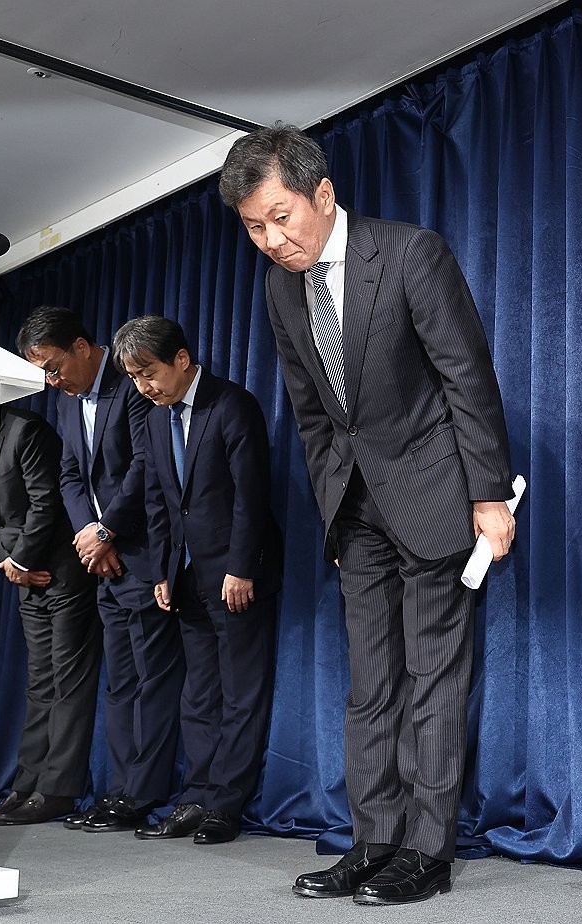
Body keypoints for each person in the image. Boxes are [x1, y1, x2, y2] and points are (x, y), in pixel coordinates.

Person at [218, 124, 515, 906]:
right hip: (355, 512)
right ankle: (373, 840)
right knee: (369, 686)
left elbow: (467, 381)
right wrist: (332, 511)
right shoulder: (283, 288)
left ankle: (427, 850)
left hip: (435, 496)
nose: (272, 239)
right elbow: (312, 414)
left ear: (322, 194)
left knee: (433, 679)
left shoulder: (412, 253)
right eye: (254, 226)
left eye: (281, 215)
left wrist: (488, 496)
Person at [110, 315, 281, 845]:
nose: (144, 387)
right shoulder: (156, 420)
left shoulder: (231, 405)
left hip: (234, 575)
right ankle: (196, 795)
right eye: (134, 378)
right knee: (198, 694)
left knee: (240, 692)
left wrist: (240, 566)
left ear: (181, 360)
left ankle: (225, 805)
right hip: (184, 578)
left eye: (150, 373)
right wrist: (163, 570)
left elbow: (252, 496)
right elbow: (161, 501)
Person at [16, 307, 184, 833]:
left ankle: (141, 793)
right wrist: (90, 534)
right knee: (120, 683)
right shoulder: (66, 404)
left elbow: (145, 464)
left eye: (53, 365)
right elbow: (68, 474)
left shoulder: (131, 382)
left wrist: (107, 530)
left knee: (151, 681)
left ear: (83, 347)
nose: (51, 379)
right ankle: (117, 791)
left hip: (141, 551)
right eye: (42, 371)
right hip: (101, 560)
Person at [0, 406, 101, 825]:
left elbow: (47, 501)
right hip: (25, 575)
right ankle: (26, 782)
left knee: (69, 682)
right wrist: (10, 562)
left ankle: (57, 789)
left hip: (62, 571)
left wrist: (21, 558)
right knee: (40, 682)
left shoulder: (26, 431)